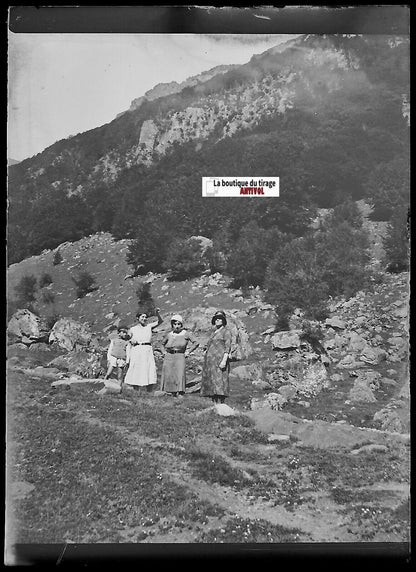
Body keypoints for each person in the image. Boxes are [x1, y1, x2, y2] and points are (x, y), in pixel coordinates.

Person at [124, 308, 163, 392]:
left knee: (149, 367)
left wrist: (157, 314)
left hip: (147, 350)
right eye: (142, 317)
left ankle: (149, 390)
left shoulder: (149, 326)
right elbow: (126, 337)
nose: (144, 319)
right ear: (138, 318)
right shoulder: (133, 329)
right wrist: (130, 340)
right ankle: (136, 390)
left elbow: (160, 321)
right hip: (137, 350)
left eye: (145, 317)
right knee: (137, 368)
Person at [160, 314, 199, 397]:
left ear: (181, 325)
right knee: (169, 373)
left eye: (178, 324)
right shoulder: (169, 334)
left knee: (179, 373)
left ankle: (180, 392)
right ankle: (169, 392)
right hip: (169, 356)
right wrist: (163, 352)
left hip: (180, 355)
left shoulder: (186, 334)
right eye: (175, 324)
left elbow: (196, 343)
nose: (177, 326)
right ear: (172, 325)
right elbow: (162, 344)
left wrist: (188, 352)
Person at [201, 310, 232, 404]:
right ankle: (214, 403)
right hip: (211, 362)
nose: (218, 320)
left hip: (220, 360)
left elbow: (228, 347)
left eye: (220, 319)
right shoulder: (213, 333)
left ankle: (221, 403)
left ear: (224, 320)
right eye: (216, 319)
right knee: (212, 381)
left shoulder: (226, 332)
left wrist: (224, 361)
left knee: (220, 381)